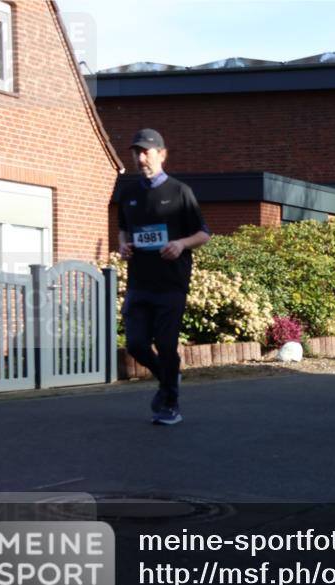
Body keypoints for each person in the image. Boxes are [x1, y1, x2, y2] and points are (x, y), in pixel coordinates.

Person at [118, 128, 211, 425]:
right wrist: (123, 245)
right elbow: (123, 229)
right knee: (136, 344)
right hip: (139, 282)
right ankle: (168, 378)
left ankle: (169, 403)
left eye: (146, 151)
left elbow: (203, 234)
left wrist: (181, 244)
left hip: (171, 283)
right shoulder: (128, 193)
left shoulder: (180, 191)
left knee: (167, 345)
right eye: (137, 152)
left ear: (162, 154)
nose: (141, 157)